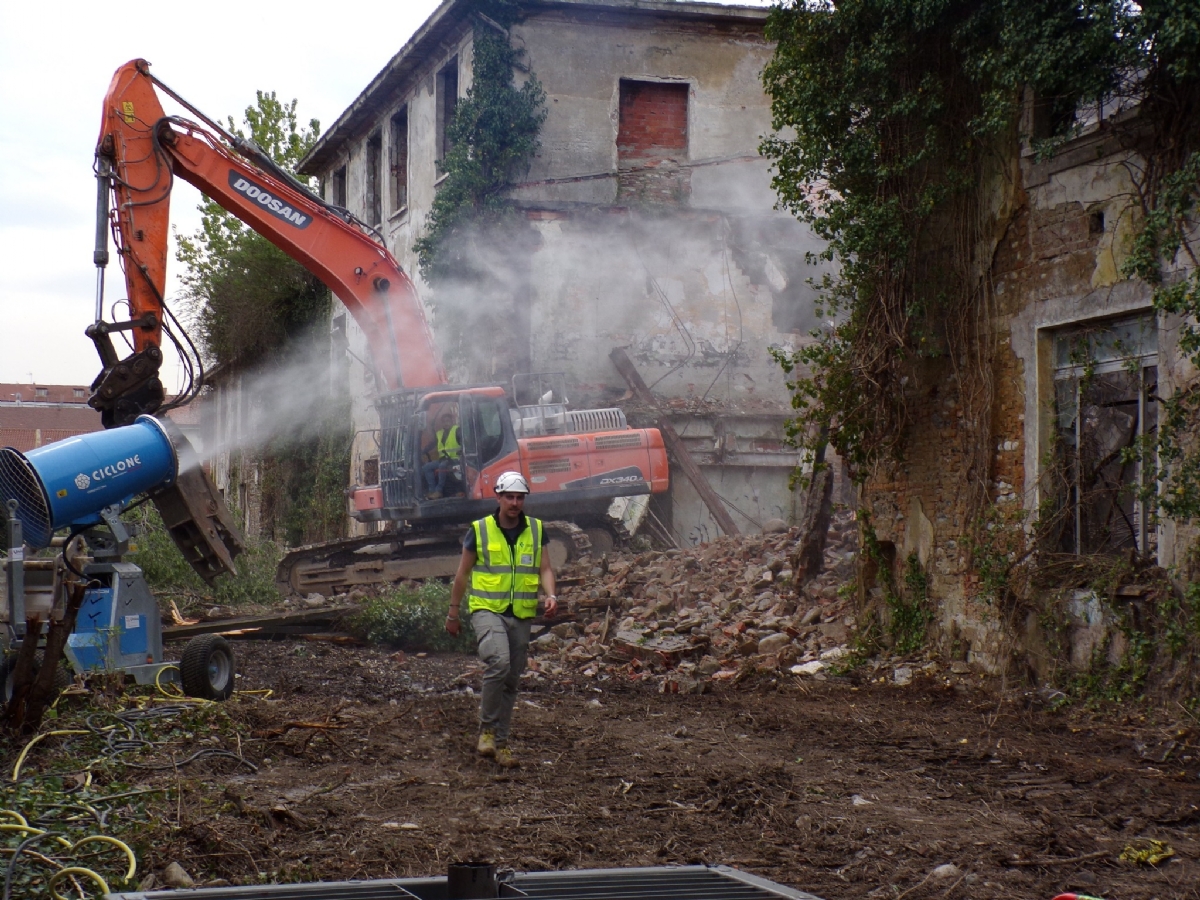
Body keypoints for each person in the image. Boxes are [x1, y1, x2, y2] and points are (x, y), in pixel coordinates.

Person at [445, 471, 557, 768]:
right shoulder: (479, 530)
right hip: (486, 610)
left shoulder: (536, 529)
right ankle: (487, 730)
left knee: (511, 679)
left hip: (521, 614)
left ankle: (502, 744)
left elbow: (545, 568)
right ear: (499, 497)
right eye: (510, 497)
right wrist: (453, 613)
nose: (515, 503)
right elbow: (462, 575)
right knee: (498, 662)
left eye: (520, 497)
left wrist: (551, 595)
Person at [422, 408, 460, 499]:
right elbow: (433, 444)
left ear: (452, 421)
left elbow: (465, 443)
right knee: (426, 467)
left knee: (442, 466)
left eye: (448, 421)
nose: (446, 423)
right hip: (443, 459)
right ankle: (432, 491)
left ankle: (439, 491)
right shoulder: (439, 434)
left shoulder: (457, 430)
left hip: (455, 459)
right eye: (444, 421)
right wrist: (422, 451)